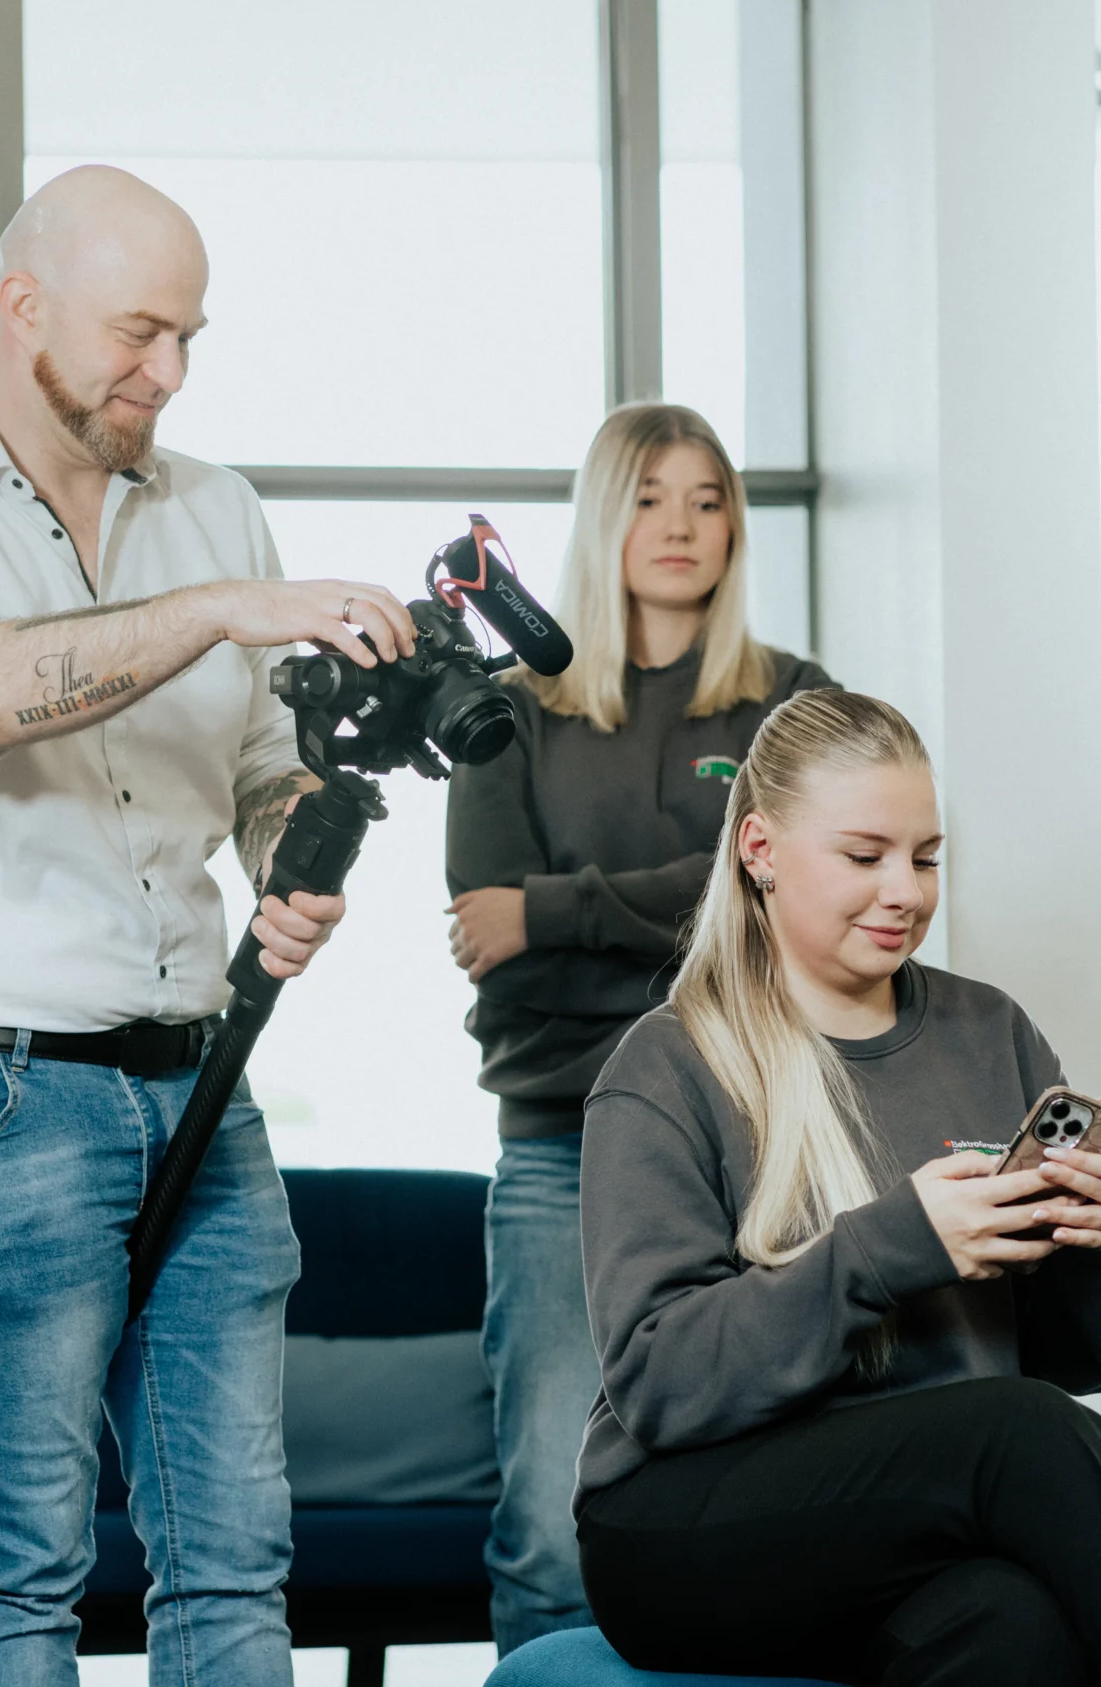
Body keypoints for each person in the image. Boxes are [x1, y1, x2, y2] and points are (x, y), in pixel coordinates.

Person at [0, 165, 417, 1687]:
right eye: (142, 332)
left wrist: (289, 850)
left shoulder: (215, 507)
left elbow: (263, 766)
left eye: (192, 336)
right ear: (23, 308)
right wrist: (216, 609)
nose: (173, 372)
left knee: (235, 1564)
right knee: (21, 1569)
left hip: (201, 1075)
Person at [572, 689, 1101, 1687]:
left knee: (1012, 1625)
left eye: (926, 857)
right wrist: (891, 1245)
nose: (904, 891)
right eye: (865, 856)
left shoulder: (989, 1033)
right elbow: (661, 1386)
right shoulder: (668, 1066)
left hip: (920, 1519)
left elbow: (1090, 1360)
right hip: (684, 1523)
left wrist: (1098, 1242)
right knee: (1024, 1434)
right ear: (760, 850)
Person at [442, 402, 836, 1653]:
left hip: (756, 1134)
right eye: (651, 498)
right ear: (603, 520)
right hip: (561, 1141)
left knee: (774, 1495)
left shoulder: (794, 706)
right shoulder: (509, 711)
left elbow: (788, 895)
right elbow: (484, 925)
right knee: (547, 1519)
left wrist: (556, 911)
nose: (681, 525)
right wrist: (696, 897)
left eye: (708, 500)